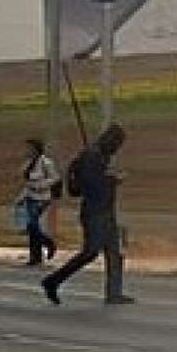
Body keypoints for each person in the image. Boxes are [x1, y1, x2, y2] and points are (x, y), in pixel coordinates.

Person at [43, 124, 132, 306]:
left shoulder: (98, 155)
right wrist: (113, 180)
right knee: (90, 253)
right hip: (95, 212)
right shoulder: (92, 156)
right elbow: (92, 184)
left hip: (105, 211)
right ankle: (53, 281)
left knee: (114, 253)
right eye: (117, 143)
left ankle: (114, 293)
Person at [17, 136, 62, 268]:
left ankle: (48, 243)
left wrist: (41, 185)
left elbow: (55, 178)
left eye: (30, 148)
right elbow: (26, 183)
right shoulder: (28, 164)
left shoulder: (46, 163)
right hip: (30, 197)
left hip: (42, 198)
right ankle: (35, 257)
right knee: (32, 228)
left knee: (32, 225)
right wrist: (21, 197)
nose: (27, 150)